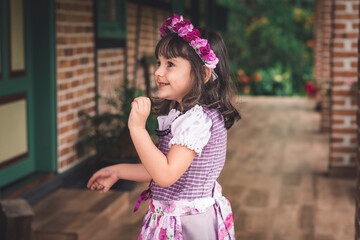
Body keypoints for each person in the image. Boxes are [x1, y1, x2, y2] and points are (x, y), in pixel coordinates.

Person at [87, 13, 241, 240]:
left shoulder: (197, 121)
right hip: (174, 220)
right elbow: (158, 166)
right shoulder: (184, 116)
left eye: (170, 64)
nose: (158, 71)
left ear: (203, 73)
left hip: (187, 226)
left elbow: (165, 175)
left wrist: (137, 129)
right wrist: (117, 171)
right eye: (158, 63)